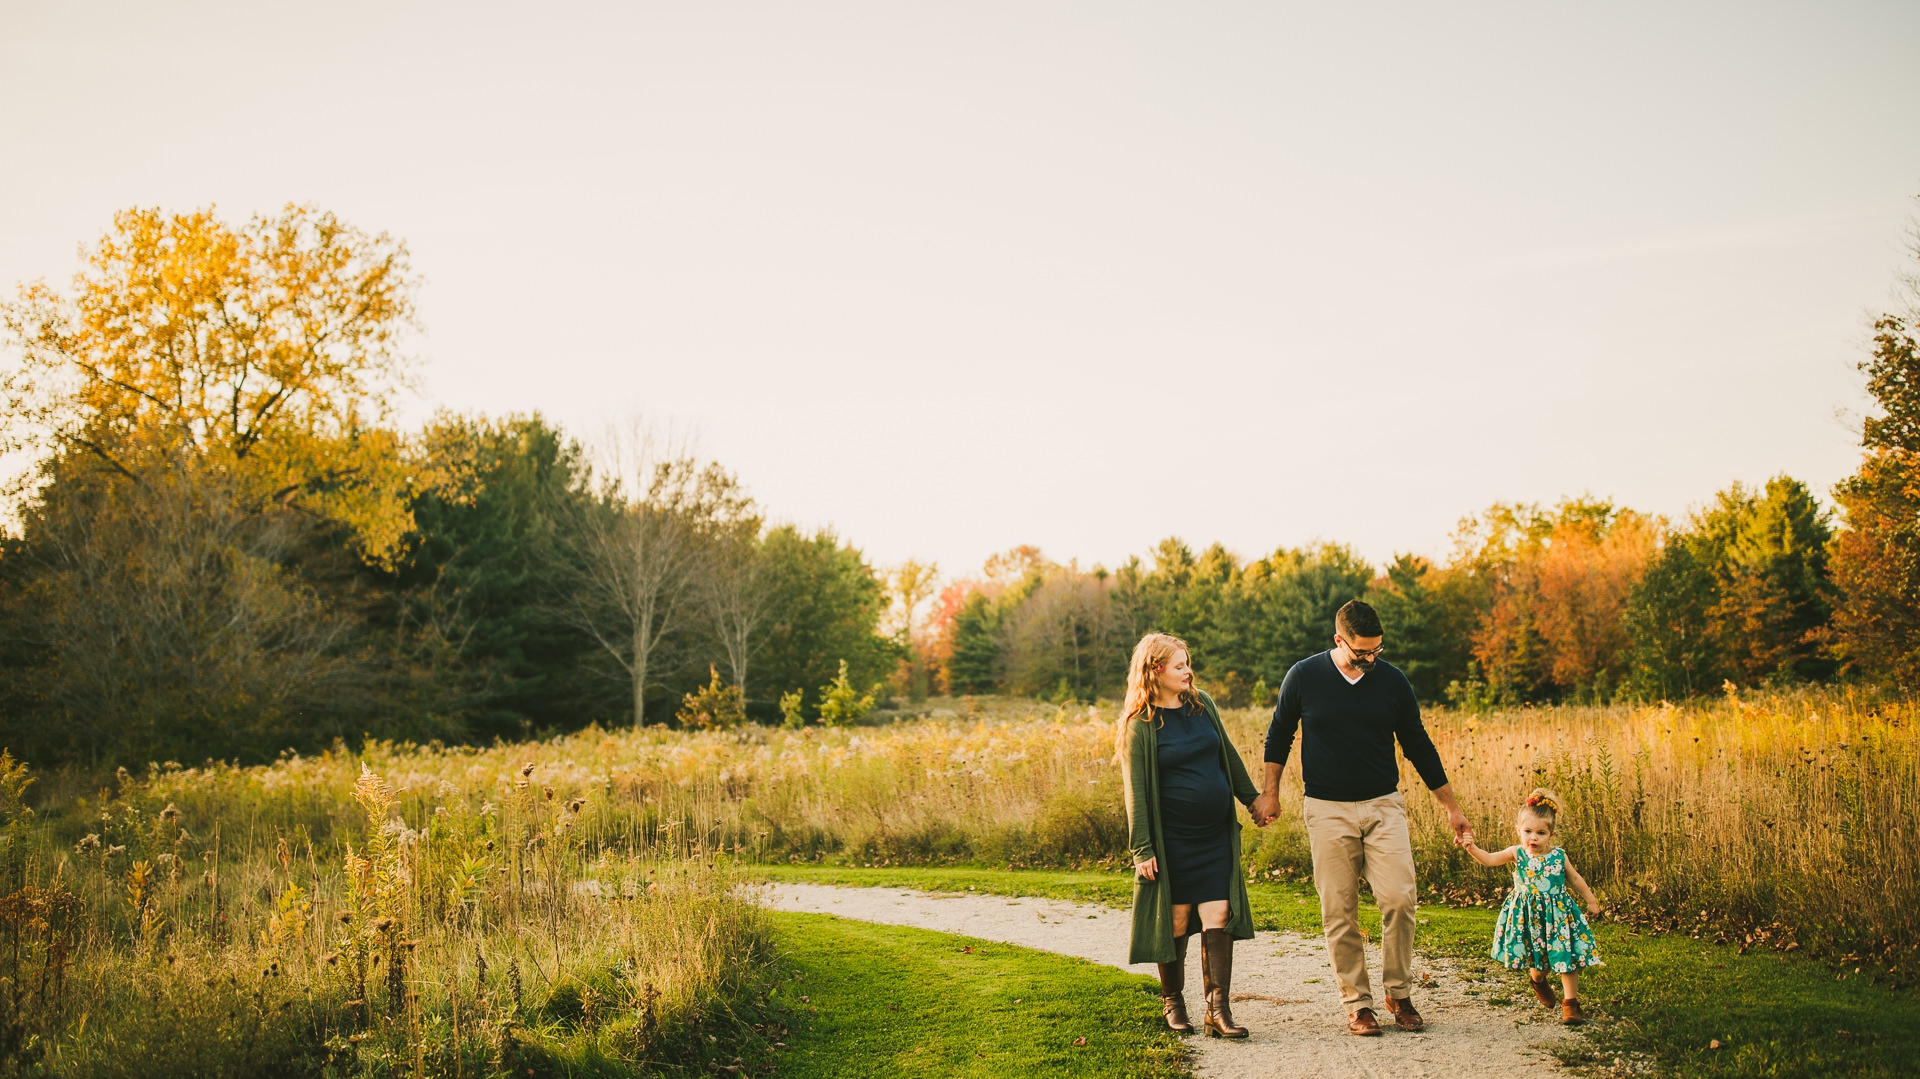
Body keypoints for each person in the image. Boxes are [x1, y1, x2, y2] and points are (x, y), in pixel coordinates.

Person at [1250, 599, 1469, 1036]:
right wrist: (1270, 793)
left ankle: (1399, 993)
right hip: (1327, 809)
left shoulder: (1392, 682)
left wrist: (1451, 806)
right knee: (1339, 909)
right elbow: (1279, 734)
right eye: (1361, 652)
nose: (1370, 659)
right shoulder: (1305, 676)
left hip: (1383, 805)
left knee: (1400, 899)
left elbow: (1418, 744)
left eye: (1377, 651)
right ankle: (1358, 1003)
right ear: (1338, 641)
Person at [1116, 632, 1265, 1038]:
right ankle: (1173, 1002)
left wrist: (1252, 800)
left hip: (1215, 835)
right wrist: (1142, 847)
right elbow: (1137, 792)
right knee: (1178, 919)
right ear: (1156, 670)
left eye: (1187, 663)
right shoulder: (1140, 725)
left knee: (1218, 915)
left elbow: (1227, 755)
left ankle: (1218, 1011)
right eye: (1180, 665)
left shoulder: (1203, 705)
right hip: (1173, 839)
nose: (1188, 671)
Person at [1459, 788, 1603, 1025]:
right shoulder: (1517, 854)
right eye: (1528, 831)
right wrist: (1471, 848)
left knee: (1566, 958)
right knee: (1539, 963)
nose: (1533, 838)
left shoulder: (1559, 856)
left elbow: (1575, 879)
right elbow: (1490, 859)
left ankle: (1571, 1005)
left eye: (1540, 833)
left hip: (1558, 917)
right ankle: (1537, 979)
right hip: (1529, 918)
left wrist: (1591, 900)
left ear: (1551, 834)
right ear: (1518, 831)